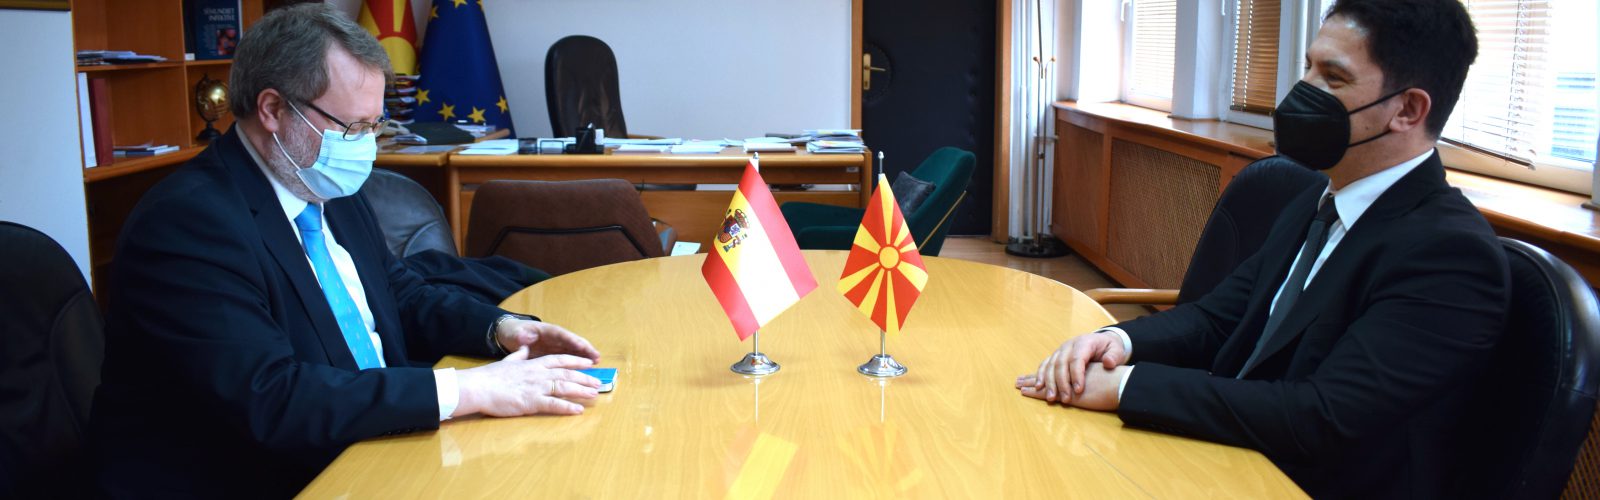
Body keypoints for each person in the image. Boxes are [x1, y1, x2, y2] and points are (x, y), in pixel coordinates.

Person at [90, 5, 604, 497]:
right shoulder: (187, 225)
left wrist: (501, 330)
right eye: (353, 127)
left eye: (374, 125)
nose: (367, 146)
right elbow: (271, 397)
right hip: (265, 478)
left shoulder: (321, 183)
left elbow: (399, 293)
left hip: (376, 445)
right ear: (272, 109)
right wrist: (468, 390)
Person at [1016, 0, 1506, 497]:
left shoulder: (1451, 256)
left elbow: (1322, 417)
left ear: (1408, 110)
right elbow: (1218, 318)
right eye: (1308, 68)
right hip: (1229, 457)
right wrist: (1118, 343)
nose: (1302, 91)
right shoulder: (1317, 199)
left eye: (1333, 78)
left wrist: (1127, 387)